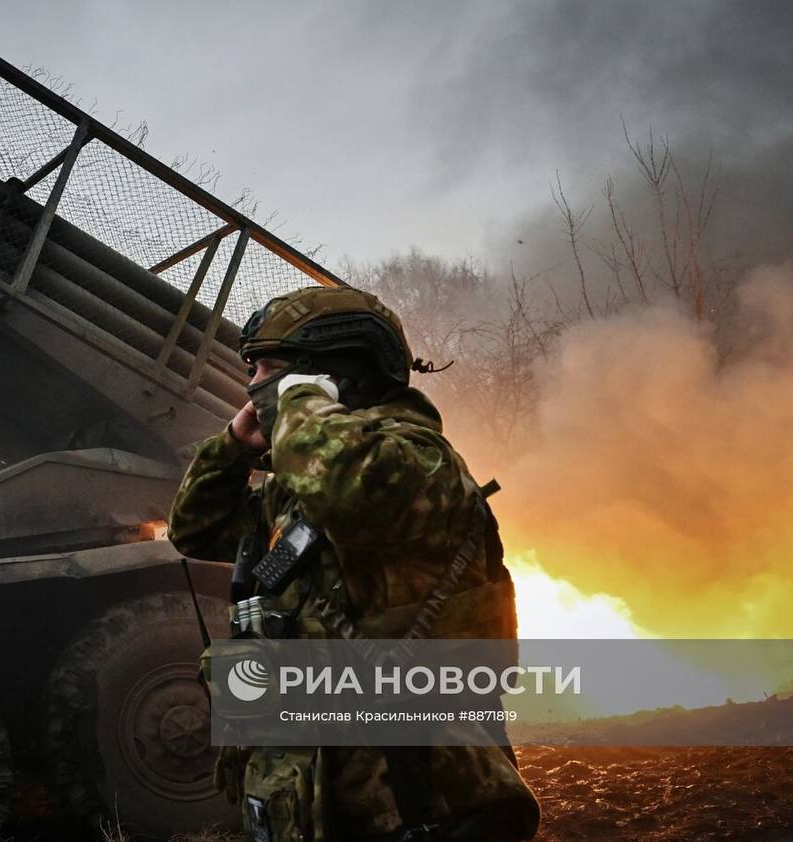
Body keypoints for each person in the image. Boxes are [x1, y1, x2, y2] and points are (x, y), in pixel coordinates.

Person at [169, 286, 540, 841]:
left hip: (414, 799)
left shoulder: (418, 462)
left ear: (336, 375)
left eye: (270, 369)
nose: (254, 385)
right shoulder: (295, 491)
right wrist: (232, 448)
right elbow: (195, 530)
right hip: (319, 790)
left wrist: (299, 403)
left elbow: (346, 485)